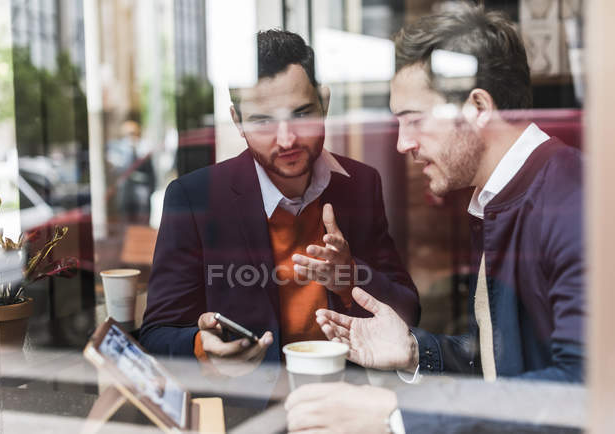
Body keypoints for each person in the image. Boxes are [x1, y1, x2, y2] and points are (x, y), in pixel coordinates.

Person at [286, 3, 584, 432]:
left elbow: (583, 392)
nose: (402, 143)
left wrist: (398, 419)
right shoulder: (502, 197)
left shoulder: (573, 205)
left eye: (415, 120)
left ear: (478, 107)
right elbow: (498, 365)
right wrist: (412, 349)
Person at [139, 29, 420, 377]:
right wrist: (201, 346)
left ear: (325, 103)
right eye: (263, 121)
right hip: (249, 409)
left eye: (301, 115)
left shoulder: (360, 184)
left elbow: (408, 310)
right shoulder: (195, 199)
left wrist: (350, 276)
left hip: (346, 398)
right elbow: (156, 334)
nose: (287, 139)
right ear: (238, 121)